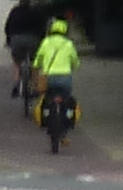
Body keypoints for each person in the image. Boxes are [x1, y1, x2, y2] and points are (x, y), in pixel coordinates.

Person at [29, 15, 83, 153]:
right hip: (65, 79)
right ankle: (64, 130)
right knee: (66, 100)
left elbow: (37, 62)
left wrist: (36, 77)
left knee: (47, 99)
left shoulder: (46, 42)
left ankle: (47, 117)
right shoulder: (68, 44)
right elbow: (76, 63)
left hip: (49, 78)